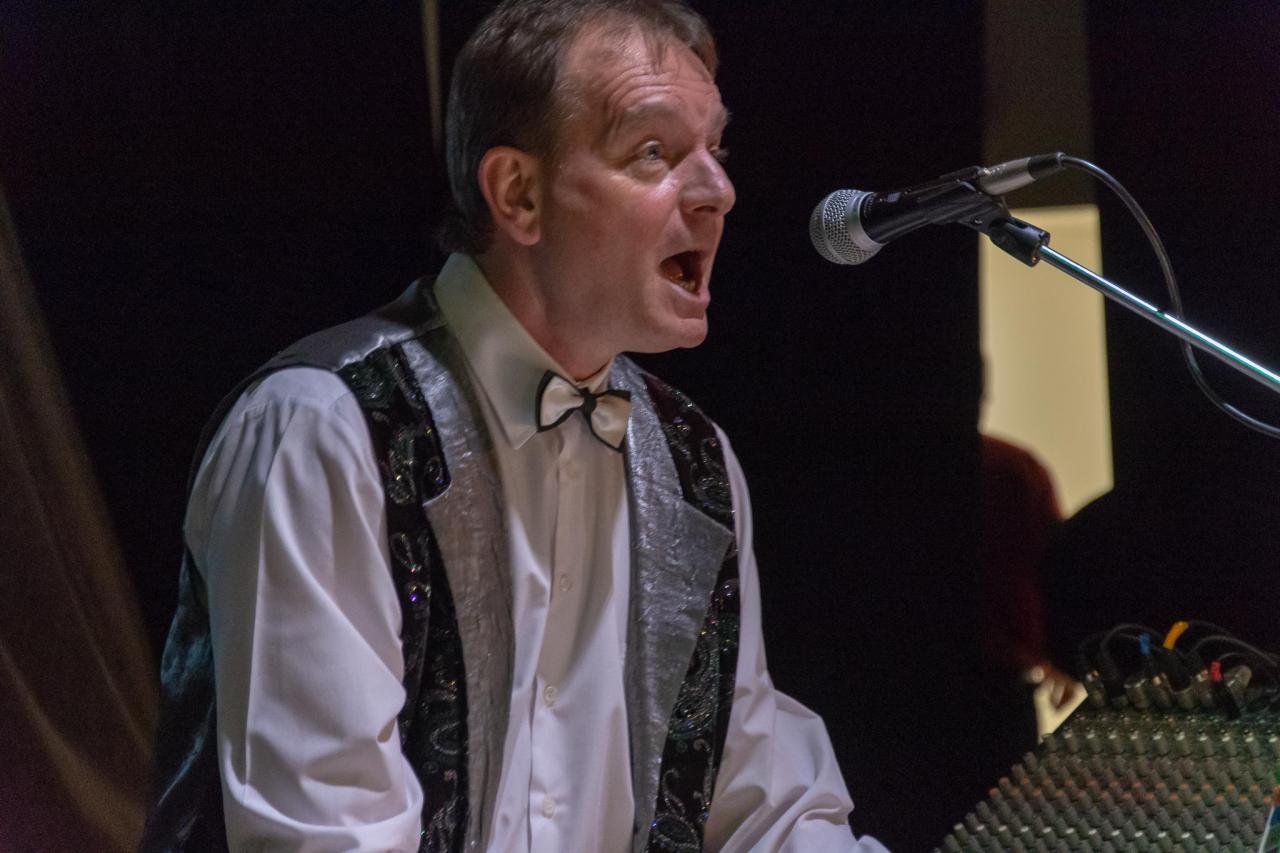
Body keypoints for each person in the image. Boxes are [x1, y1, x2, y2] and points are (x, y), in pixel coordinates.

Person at [142, 1, 887, 850]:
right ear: (518, 195)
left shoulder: (695, 463)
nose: (718, 191)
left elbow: (759, 804)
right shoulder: (327, 433)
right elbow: (325, 833)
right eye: (653, 151)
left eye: (715, 150)